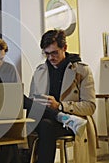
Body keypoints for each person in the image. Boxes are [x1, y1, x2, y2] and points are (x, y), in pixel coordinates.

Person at [29, 29, 97, 163]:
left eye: (54, 53)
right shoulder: (39, 71)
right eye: (46, 54)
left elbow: (90, 106)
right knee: (23, 115)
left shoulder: (81, 71)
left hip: (69, 123)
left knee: (45, 126)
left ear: (64, 48)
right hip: (44, 117)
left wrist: (60, 106)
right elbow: (32, 100)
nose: (50, 58)